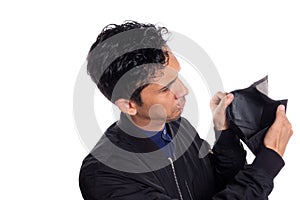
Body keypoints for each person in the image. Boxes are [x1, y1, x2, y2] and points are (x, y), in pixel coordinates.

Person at [79, 21, 293, 200]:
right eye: (165, 88)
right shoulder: (104, 176)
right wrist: (268, 161)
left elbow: (220, 185)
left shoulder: (177, 127)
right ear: (129, 105)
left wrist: (224, 132)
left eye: (177, 77)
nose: (184, 90)